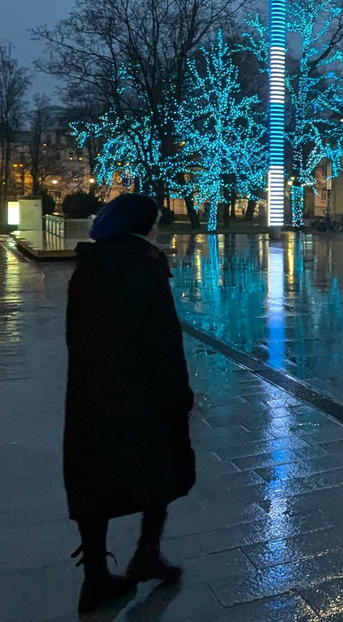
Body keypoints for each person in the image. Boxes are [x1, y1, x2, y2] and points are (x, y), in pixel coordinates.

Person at [65, 194, 195, 613]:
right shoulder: (145, 266)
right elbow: (163, 339)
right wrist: (179, 393)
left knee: (93, 473)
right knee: (162, 463)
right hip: (144, 389)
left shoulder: (89, 265)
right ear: (142, 225)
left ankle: (95, 574)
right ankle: (147, 551)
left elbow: (74, 334)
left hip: (92, 390)